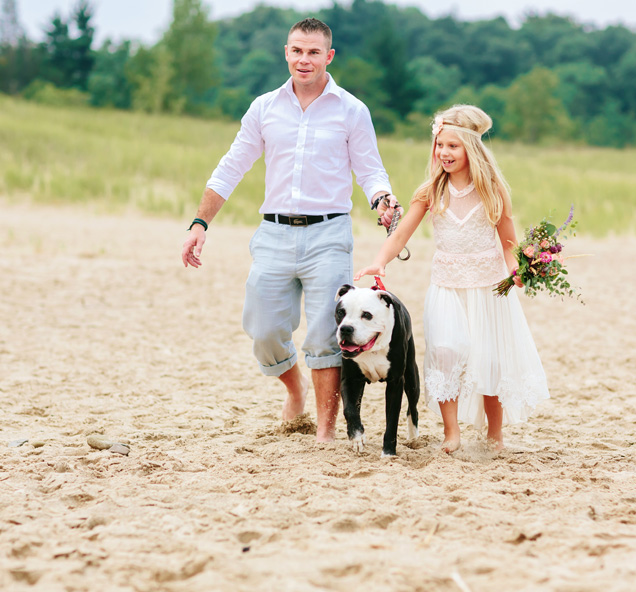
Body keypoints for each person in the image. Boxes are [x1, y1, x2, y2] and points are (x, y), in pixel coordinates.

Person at [181, 18, 401, 442]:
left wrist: (383, 200)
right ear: (286, 52)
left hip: (329, 236)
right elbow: (231, 167)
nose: (304, 59)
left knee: (326, 336)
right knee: (263, 330)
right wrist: (199, 222)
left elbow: (371, 170)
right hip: (274, 234)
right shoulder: (264, 107)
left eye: (313, 52)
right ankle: (294, 387)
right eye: (297, 51)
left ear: (329, 56)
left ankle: (325, 431)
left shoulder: (352, 110)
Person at [354, 105, 550, 453]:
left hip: (489, 288)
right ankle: (452, 432)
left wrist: (518, 270)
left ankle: (495, 435)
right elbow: (400, 236)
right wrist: (379, 262)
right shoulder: (430, 191)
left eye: (452, 146)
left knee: (490, 359)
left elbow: (508, 243)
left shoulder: (492, 191)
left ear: (471, 149)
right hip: (446, 286)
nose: (444, 153)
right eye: (440, 145)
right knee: (446, 353)